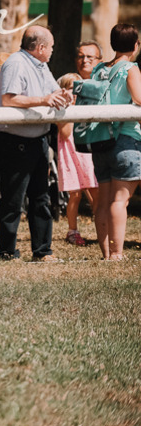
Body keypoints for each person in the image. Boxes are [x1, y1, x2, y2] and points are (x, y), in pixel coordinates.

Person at [0, 26, 71, 262]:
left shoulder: (41, 65)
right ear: (40, 48)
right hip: (14, 141)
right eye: (51, 47)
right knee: (12, 199)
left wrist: (64, 95)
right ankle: (8, 252)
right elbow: (9, 99)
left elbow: (53, 91)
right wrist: (44, 100)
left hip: (38, 140)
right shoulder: (16, 64)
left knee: (41, 198)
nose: (53, 51)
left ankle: (42, 251)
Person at [90, 23, 141, 261]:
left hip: (100, 140)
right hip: (126, 140)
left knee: (103, 201)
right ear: (135, 45)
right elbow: (138, 98)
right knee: (120, 200)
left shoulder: (99, 69)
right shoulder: (130, 69)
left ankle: (106, 253)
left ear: (112, 44)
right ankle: (117, 254)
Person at [55, 73, 97, 246]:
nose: (75, 93)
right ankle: (72, 230)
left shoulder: (86, 107)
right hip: (70, 155)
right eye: (71, 89)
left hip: (86, 155)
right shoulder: (63, 111)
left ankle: (103, 226)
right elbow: (65, 133)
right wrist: (70, 108)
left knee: (95, 191)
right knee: (75, 194)